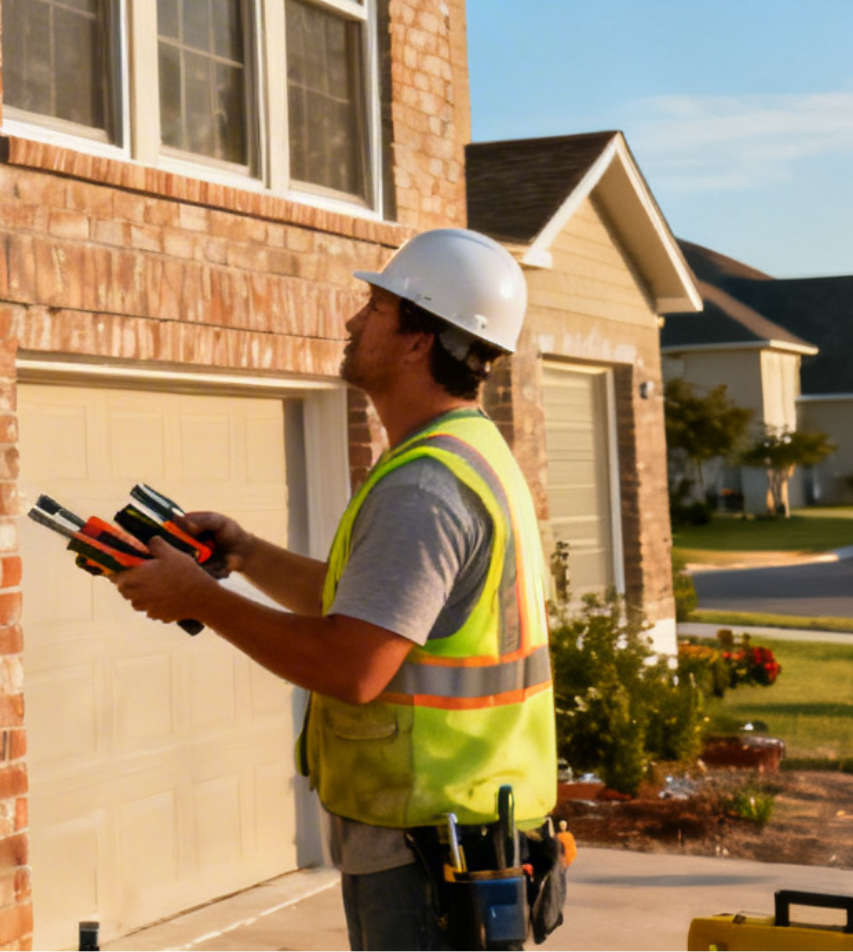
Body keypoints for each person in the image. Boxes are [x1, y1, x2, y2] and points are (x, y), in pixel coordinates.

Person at [110, 228, 555, 952]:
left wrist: (200, 598)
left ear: (418, 341)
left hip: (428, 846)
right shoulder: (464, 455)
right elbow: (373, 609)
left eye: (375, 307)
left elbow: (354, 664)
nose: (353, 321)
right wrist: (246, 554)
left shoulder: (424, 485)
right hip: (457, 832)